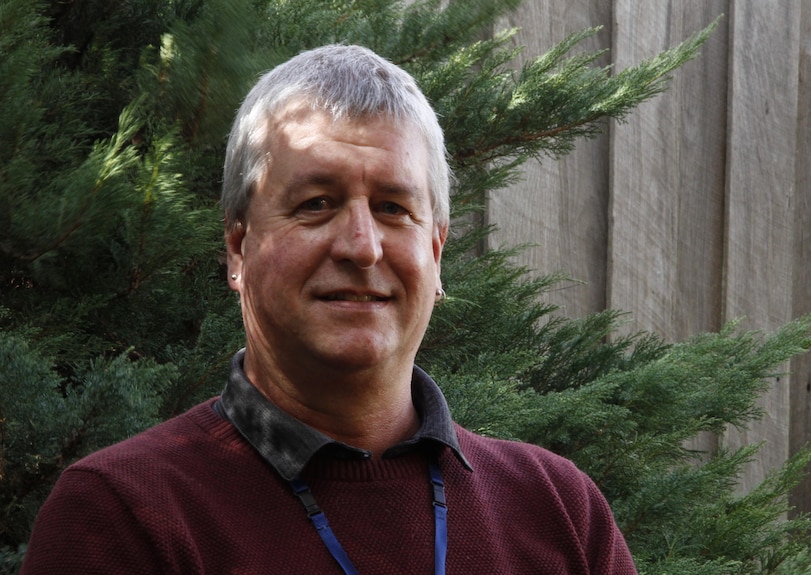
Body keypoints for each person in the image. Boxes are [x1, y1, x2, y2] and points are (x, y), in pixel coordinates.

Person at [21, 45, 638, 574]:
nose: (362, 246)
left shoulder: (559, 511)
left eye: (394, 207)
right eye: (317, 203)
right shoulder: (123, 516)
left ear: (436, 251)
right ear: (239, 246)